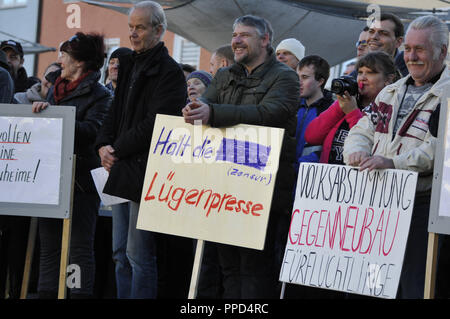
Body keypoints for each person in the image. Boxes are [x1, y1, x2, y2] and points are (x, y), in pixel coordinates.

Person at [182, 14, 299, 298]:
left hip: (263, 190)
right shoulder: (224, 75)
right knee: (228, 267)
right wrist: (194, 109)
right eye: (234, 34)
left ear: (264, 40)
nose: (236, 40)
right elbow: (207, 101)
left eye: (244, 35)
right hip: (225, 187)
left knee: (254, 268)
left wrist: (213, 113)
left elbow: (268, 114)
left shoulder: (285, 77)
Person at [343, 15, 449, 299]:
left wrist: (393, 163)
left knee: (413, 286)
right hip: (378, 201)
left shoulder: (447, 94)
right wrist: (356, 151)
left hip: (422, 207)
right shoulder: (391, 91)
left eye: (421, 49)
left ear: (443, 51)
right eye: (409, 49)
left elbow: (440, 149)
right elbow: (362, 129)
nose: (411, 57)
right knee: (369, 284)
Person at [95, 1, 189, 299]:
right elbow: (115, 111)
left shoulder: (170, 72)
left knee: (139, 255)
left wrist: (116, 149)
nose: (133, 34)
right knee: (119, 252)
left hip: (148, 171)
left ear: (159, 29)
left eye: (140, 27)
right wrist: (103, 145)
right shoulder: (129, 63)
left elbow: (157, 123)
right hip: (121, 165)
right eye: (130, 27)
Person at [31, 32, 112, 299]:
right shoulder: (55, 89)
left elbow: (92, 131)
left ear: (80, 62)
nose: (60, 60)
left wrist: (55, 118)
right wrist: (45, 112)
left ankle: (77, 294)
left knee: (78, 247)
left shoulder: (100, 95)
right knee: (49, 245)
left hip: (81, 183)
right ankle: (47, 293)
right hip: (51, 179)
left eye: (64, 55)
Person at [305, 51, 399, 165]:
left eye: (370, 73)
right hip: (329, 177)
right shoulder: (347, 102)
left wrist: (352, 112)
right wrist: (340, 107)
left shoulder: (390, 111)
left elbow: (371, 146)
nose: (362, 78)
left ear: (388, 79)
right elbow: (311, 136)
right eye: (360, 72)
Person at [367, 12, 408, 77]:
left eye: (383, 33)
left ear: (398, 42)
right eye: (371, 32)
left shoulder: (410, 74)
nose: (374, 37)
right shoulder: (359, 71)